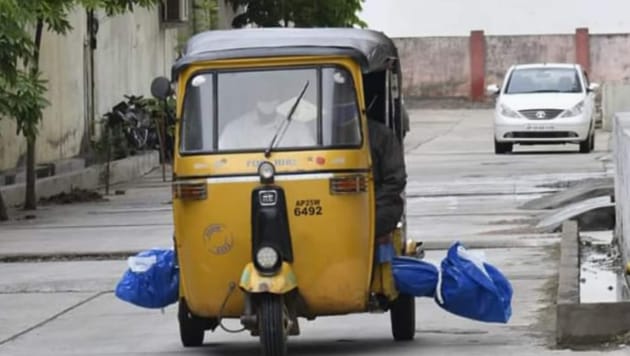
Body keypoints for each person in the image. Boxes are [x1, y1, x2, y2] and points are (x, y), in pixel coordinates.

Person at [218, 91, 316, 150]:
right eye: (263, 93)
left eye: (271, 93)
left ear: (279, 97)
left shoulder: (298, 128)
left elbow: (310, 158)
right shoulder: (234, 130)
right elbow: (221, 163)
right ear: (254, 97)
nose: (267, 96)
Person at [367, 117, 407, 246]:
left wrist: (373, 203)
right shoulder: (314, 132)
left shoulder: (380, 135)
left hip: (379, 204)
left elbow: (396, 180)